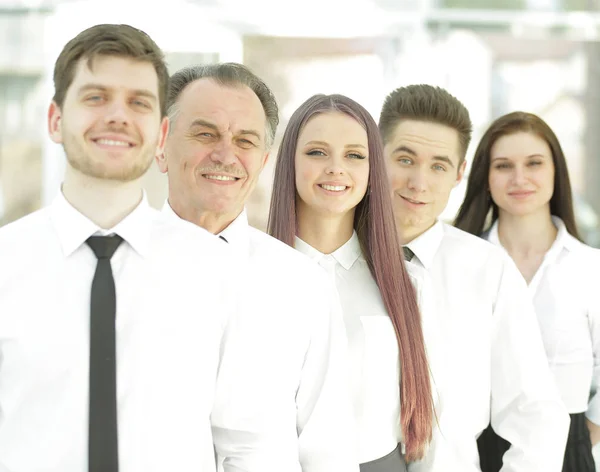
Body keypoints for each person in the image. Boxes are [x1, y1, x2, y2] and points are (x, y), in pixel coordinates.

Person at [0, 24, 239, 472]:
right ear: (55, 120)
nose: (117, 115)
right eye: (95, 97)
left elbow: (248, 445)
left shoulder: (217, 270)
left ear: (161, 132)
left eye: (139, 102)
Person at [156, 63, 359, 472]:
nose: (225, 154)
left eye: (245, 141)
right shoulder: (115, 271)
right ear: (161, 145)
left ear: (264, 160)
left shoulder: (304, 285)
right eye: (205, 133)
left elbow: (328, 448)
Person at [378, 84, 570, 471]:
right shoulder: (329, 261)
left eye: (438, 165)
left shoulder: (488, 269)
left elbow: (534, 411)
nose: (419, 182)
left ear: (459, 173)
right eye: (404, 159)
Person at [266, 93, 434, 472]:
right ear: (288, 162)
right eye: (316, 152)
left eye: (355, 156)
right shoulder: (252, 277)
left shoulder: (408, 283)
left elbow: (426, 425)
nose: (336, 169)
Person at [455, 111, 600, 472]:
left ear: (556, 172)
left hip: (569, 445)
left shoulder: (590, 268)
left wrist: (581, 437)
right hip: (474, 447)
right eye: (503, 166)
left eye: (534, 163)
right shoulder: (459, 263)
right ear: (486, 178)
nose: (519, 178)